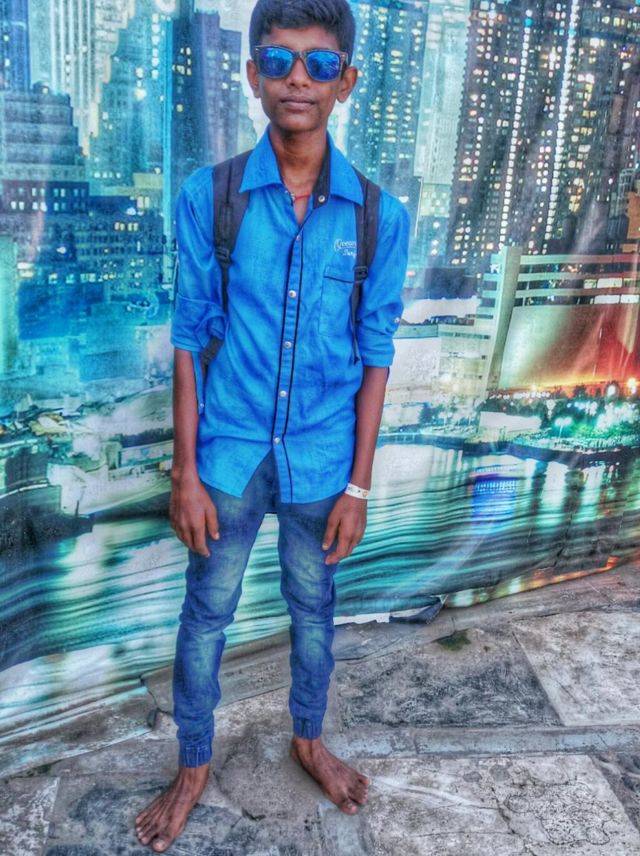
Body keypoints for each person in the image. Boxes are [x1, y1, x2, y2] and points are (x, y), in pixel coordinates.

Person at [135, 0, 409, 850]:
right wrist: (185, 472)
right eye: (280, 60)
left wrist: (359, 486)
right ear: (253, 74)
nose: (299, 79)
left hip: (323, 458)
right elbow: (189, 337)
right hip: (227, 454)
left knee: (314, 611)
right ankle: (193, 764)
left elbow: (376, 355)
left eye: (319, 64)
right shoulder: (211, 196)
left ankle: (308, 740)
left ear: (345, 82)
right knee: (206, 616)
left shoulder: (378, 217)